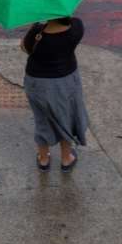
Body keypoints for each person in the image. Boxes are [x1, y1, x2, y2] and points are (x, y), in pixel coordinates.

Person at [21, 16, 89, 172]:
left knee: (42, 119)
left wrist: (34, 26)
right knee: (66, 117)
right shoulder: (77, 26)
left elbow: (25, 48)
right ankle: (66, 159)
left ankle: (43, 159)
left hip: (37, 83)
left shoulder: (38, 33)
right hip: (66, 81)